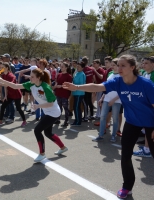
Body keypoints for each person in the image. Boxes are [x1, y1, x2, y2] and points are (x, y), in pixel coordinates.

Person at [62, 54, 154, 199]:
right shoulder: (118, 81)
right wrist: (77, 86)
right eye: (118, 65)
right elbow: (97, 86)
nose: (119, 68)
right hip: (132, 122)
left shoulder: (146, 85)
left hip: (151, 122)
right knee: (125, 155)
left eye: (123, 65)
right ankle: (127, 187)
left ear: (133, 67)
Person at [0, 68, 68, 162]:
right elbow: (15, 86)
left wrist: (38, 106)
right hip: (47, 112)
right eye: (30, 76)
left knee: (37, 130)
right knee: (48, 133)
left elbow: (51, 103)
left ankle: (42, 154)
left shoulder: (45, 87)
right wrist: (1, 80)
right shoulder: (31, 84)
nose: (30, 78)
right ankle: (63, 148)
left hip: (54, 112)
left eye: (32, 77)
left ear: (38, 78)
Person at [92, 58, 121, 143]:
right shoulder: (110, 74)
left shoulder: (121, 75)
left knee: (115, 118)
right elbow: (106, 87)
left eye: (114, 65)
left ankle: (113, 135)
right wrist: (102, 97)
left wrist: (114, 100)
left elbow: (122, 91)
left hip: (117, 101)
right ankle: (100, 135)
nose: (112, 67)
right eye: (111, 65)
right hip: (106, 99)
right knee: (103, 116)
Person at [0, 62, 27, 126]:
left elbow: (10, 84)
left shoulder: (11, 76)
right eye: (1, 68)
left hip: (16, 94)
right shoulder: (3, 75)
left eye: (3, 68)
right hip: (10, 94)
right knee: (3, 106)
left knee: (18, 108)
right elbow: (6, 86)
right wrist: (5, 96)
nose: (1, 69)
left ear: (6, 68)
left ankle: (24, 120)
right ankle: (0, 120)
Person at [53, 62, 73, 126]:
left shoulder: (69, 76)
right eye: (61, 66)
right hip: (58, 93)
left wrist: (61, 86)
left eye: (62, 67)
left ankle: (66, 121)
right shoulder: (59, 74)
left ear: (66, 68)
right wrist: (55, 87)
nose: (61, 68)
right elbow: (56, 82)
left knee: (65, 108)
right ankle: (58, 119)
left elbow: (69, 85)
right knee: (59, 107)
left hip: (64, 94)